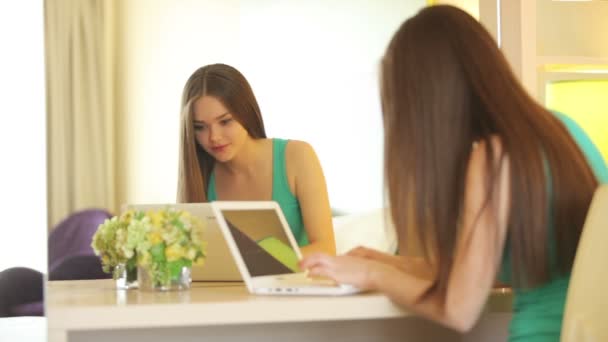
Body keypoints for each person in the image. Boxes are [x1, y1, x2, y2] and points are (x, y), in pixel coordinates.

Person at [300, 5, 608, 341]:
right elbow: (482, 275)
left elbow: (458, 309)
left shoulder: (492, 158)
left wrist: (373, 274)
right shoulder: (563, 129)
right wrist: (391, 264)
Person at [177, 63, 336, 256]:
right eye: (200, 127)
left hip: (299, 285)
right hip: (225, 287)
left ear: (245, 113)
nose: (214, 137)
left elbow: (326, 250)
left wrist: (255, 259)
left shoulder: (298, 156)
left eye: (225, 121)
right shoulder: (200, 174)